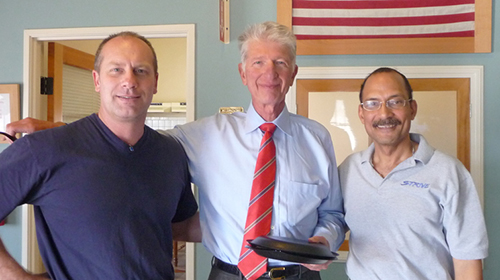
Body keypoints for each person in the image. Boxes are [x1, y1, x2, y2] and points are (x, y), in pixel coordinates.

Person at [5, 22, 346, 280]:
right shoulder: (205, 135)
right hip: (229, 273)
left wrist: (322, 238)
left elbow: (333, 214)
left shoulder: (317, 138)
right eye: (258, 63)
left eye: (280, 63)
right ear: (243, 73)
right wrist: (59, 132)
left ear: (293, 73)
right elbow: (121, 137)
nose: (269, 73)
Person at [0, 32, 199, 280]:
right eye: (116, 70)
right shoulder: (45, 149)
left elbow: (181, 224)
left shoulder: (170, 153)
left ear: (155, 81)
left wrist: (253, 223)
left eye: (141, 70)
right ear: (97, 80)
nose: (129, 81)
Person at [339, 67, 488, 280]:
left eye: (395, 102)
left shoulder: (449, 173)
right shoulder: (348, 170)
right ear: (361, 113)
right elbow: (331, 221)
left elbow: (467, 264)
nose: (384, 114)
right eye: (373, 103)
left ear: (412, 109)